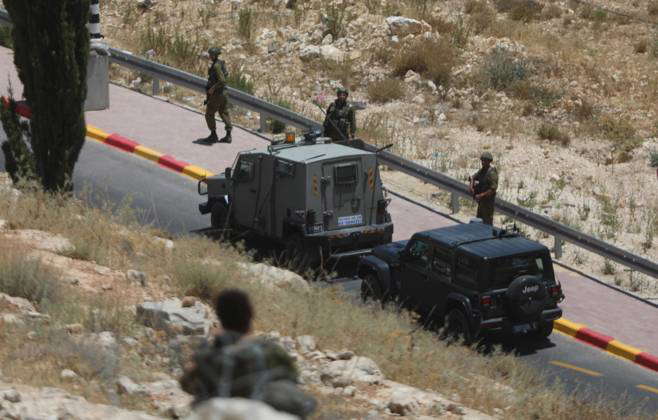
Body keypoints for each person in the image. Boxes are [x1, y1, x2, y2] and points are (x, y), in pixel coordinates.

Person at [179, 289, 316, 418]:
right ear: (250, 315)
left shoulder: (211, 355)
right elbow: (292, 380)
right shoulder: (274, 351)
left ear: (220, 317)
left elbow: (187, 384)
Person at [201, 47, 232, 144]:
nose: (209, 56)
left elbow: (222, 80)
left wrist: (212, 88)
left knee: (209, 113)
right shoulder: (221, 63)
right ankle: (228, 135)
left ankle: (213, 135)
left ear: (214, 55)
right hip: (224, 93)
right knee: (224, 112)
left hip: (217, 94)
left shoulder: (216, 66)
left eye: (210, 54)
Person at [468, 151, 498, 226]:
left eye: (485, 160)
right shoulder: (482, 170)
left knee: (487, 223)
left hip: (488, 203)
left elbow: (493, 189)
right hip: (481, 202)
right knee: (479, 222)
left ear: (489, 161)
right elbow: (473, 177)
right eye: (482, 160)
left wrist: (481, 195)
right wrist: (471, 186)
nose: (483, 162)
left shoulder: (491, 173)